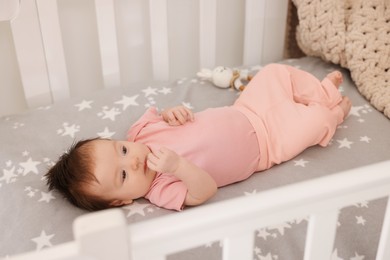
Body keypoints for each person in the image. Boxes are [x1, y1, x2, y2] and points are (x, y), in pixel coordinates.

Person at [45, 64, 352, 211]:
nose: (134, 161)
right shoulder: (161, 190)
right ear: (122, 200)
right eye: (123, 174)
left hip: (247, 109)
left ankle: (321, 92)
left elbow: (168, 115)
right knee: (315, 122)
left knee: (274, 73)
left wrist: (173, 113)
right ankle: (334, 111)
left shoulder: (141, 131)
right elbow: (205, 191)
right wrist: (177, 166)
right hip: (270, 143)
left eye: (122, 150)